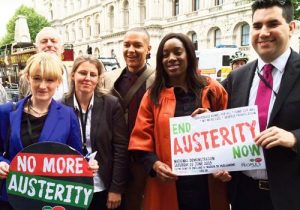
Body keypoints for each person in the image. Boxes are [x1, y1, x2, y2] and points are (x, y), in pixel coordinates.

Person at [128, 33, 229, 210]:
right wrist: (155, 164)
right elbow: (141, 141)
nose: (171, 58)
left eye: (177, 52)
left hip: (207, 185)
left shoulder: (212, 89)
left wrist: (212, 119)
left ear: (189, 55)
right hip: (168, 184)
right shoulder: (152, 96)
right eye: (165, 55)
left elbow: (231, 129)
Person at [220, 1, 300, 210]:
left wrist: (294, 138)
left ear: (291, 28)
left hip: (291, 196)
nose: (263, 33)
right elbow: (223, 127)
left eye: (273, 24)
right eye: (257, 26)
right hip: (242, 195)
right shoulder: (236, 77)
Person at [0, 52, 97, 210]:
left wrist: (87, 165)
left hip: (51, 200)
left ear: (58, 82)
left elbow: (75, 156)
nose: (43, 86)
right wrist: (2, 164)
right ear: (28, 78)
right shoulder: (6, 112)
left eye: (50, 80)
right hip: (13, 197)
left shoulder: (67, 115)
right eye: (37, 78)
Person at [62, 55, 129, 210]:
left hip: (102, 187)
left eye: (93, 75)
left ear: (99, 79)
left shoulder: (111, 105)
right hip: (70, 188)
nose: (87, 78)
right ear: (73, 75)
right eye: (82, 73)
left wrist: (116, 188)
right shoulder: (60, 106)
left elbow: (120, 149)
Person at [103, 27, 154, 210]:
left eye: (137, 45)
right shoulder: (108, 78)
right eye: (126, 45)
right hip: (113, 158)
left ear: (148, 48)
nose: (131, 50)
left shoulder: (159, 80)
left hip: (142, 160)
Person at [19, 27, 69, 100]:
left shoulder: (72, 75)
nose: (49, 44)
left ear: (62, 48)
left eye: (53, 41)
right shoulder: (24, 78)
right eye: (44, 41)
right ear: (36, 48)